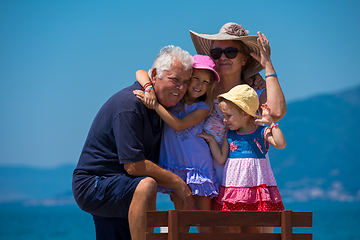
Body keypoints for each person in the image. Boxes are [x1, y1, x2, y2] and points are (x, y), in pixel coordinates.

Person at [72, 45, 195, 240]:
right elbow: (134, 166)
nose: (181, 88)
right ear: (155, 75)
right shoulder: (129, 105)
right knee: (147, 185)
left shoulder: (161, 107)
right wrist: (178, 183)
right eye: (175, 79)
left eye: (186, 82)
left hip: (123, 184)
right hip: (96, 183)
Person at [189, 22, 287, 186]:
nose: (223, 57)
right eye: (216, 53)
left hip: (243, 185)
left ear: (244, 59)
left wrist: (267, 65)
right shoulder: (200, 91)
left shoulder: (252, 95)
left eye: (230, 52)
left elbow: (276, 112)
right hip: (202, 181)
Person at [133, 55, 220, 232]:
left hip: (199, 168)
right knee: (180, 221)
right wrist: (149, 89)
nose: (200, 85)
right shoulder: (173, 101)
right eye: (196, 78)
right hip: (176, 168)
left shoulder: (203, 108)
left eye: (206, 82)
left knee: (204, 223)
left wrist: (155, 105)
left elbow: (179, 125)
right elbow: (140, 72)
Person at [199, 84, 286, 233]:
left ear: (246, 113)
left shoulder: (261, 131)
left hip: (254, 188)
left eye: (229, 116)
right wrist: (213, 142)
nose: (225, 120)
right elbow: (221, 159)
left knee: (253, 226)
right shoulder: (230, 134)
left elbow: (280, 143)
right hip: (233, 189)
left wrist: (271, 124)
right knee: (232, 226)